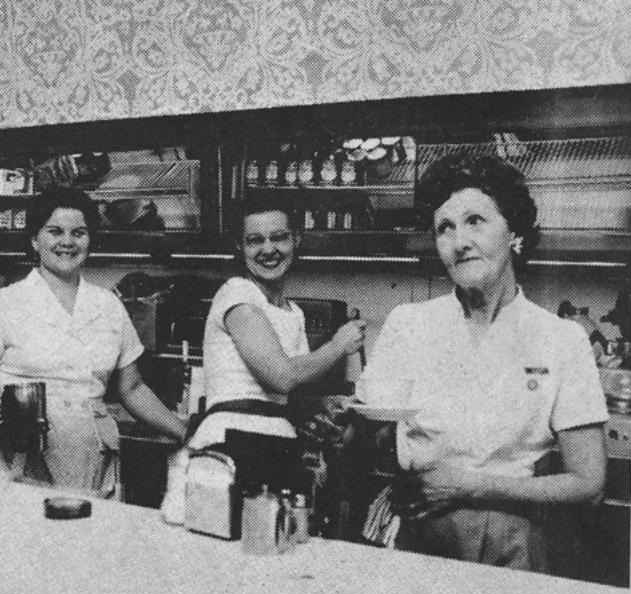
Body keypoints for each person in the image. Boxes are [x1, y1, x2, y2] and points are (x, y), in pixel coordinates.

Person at [360, 153, 607, 571]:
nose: (460, 241)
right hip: (417, 532)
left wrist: (471, 487)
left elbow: (589, 484)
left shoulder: (561, 339)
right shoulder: (409, 323)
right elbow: (375, 437)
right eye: (445, 228)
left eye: (476, 221)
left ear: (513, 232)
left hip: (513, 541)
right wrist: (352, 429)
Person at [0, 186, 186, 494]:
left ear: (90, 240)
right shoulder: (0, 304)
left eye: (79, 233)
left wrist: (184, 432)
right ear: (35, 239)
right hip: (12, 454)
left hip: (88, 454)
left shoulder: (109, 305)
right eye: (54, 231)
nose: (67, 241)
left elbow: (132, 387)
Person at [188, 199, 366, 456]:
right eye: (255, 240)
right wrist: (338, 345)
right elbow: (282, 377)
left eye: (279, 237)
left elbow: (285, 398)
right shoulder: (237, 295)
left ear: (296, 239)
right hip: (229, 438)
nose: (268, 249)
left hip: (275, 441)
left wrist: (323, 405)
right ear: (241, 246)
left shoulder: (294, 313)